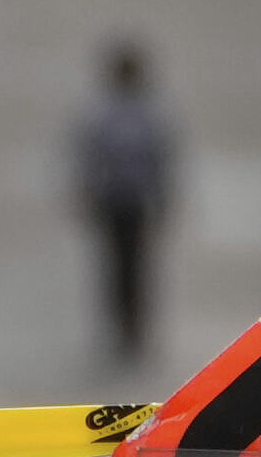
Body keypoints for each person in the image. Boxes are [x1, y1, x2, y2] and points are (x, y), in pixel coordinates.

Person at [65, 41, 183, 374]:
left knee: (131, 270)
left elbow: (159, 160)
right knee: (121, 270)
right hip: (116, 203)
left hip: (130, 203)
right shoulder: (139, 115)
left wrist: (161, 198)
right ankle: (124, 331)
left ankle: (133, 332)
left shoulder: (114, 115)